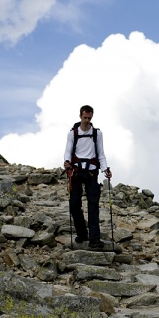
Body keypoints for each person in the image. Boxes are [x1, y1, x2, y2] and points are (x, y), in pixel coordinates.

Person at [64, 105, 112, 249]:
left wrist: (105, 169)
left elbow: (101, 153)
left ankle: (94, 239)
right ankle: (82, 233)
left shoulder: (97, 133)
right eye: (85, 117)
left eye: (89, 118)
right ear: (80, 116)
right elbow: (67, 151)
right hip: (76, 172)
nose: (87, 120)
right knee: (74, 205)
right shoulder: (72, 133)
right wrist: (67, 162)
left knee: (93, 206)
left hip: (91, 173)